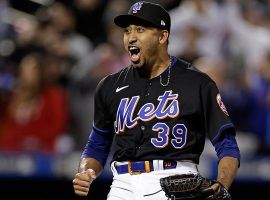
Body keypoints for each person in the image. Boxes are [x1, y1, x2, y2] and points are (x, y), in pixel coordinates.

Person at [72, 1, 240, 199]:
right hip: (122, 184)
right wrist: (86, 171)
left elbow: (227, 144)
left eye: (140, 30)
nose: (131, 37)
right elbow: (98, 144)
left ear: (162, 36)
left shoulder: (197, 83)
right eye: (127, 31)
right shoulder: (109, 85)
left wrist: (222, 184)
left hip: (176, 180)